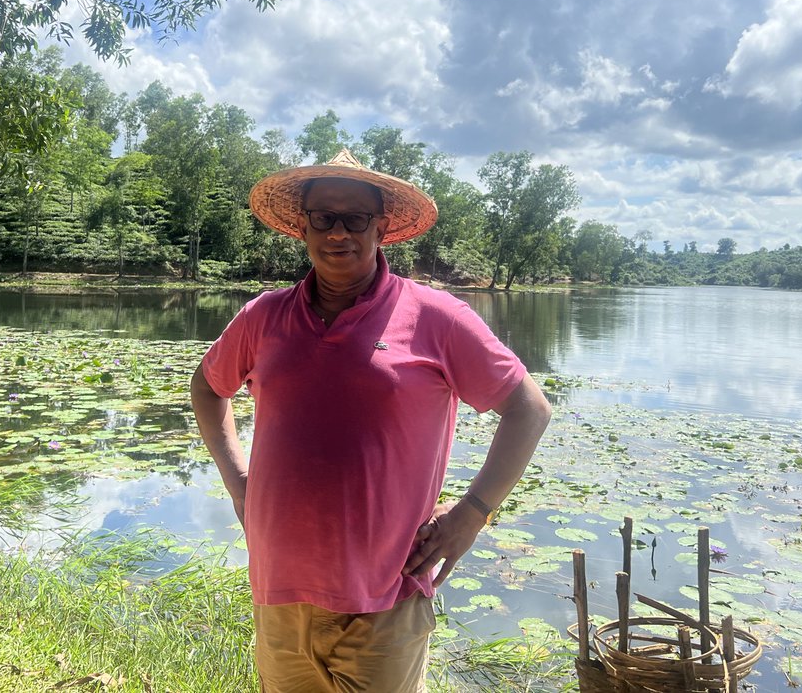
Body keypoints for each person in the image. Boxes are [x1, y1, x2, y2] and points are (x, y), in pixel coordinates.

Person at [190, 149, 553, 692]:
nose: (338, 232)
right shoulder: (263, 316)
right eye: (324, 217)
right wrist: (238, 483)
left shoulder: (437, 316)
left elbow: (528, 408)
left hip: (388, 592)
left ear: (381, 227)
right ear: (303, 226)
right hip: (280, 587)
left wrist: (472, 513)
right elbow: (207, 387)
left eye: (355, 218)